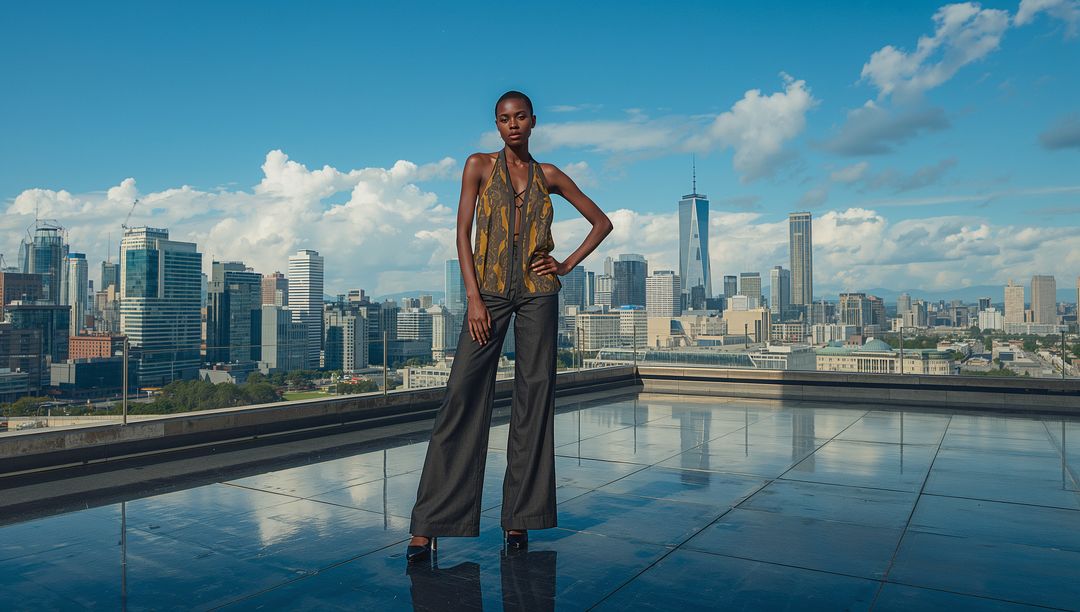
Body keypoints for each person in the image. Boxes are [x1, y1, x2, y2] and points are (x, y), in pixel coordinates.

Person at [406, 90, 613, 562]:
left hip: (538, 295)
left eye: (520, 117)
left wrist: (565, 265)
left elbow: (601, 223)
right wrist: (474, 299)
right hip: (491, 294)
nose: (512, 125)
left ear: (533, 122)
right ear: (496, 125)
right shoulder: (478, 165)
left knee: (534, 400)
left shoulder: (550, 176)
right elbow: (462, 233)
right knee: (461, 396)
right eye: (504, 119)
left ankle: (521, 519)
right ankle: (430, 523)